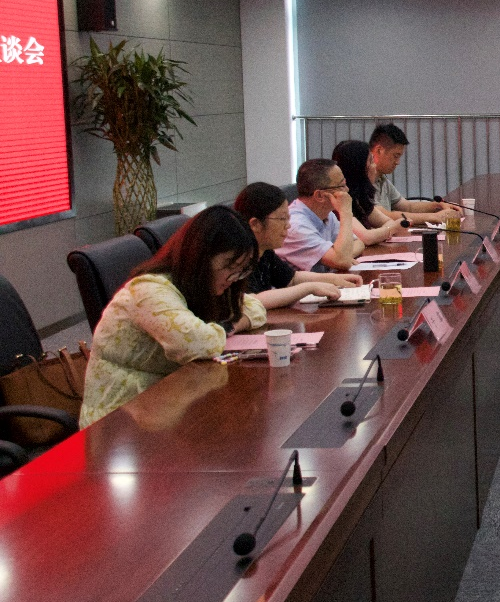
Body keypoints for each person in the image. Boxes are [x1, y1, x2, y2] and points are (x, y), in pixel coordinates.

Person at [79, 206, 267, 426]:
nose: (234, 278)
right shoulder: (149, 290)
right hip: (120, 421)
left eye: (241, 269)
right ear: (200, 258)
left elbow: (255, 307)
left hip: (165, 406)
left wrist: (231, 325)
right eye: (229, 266)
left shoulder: (197, 285)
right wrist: (226, 327)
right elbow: (196, 344)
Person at [233, 182, 364, 308]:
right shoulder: (238, 259)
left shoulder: (264, 252)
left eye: (288, 218)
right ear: (255, 224)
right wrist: (309, 288)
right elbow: (252, 301)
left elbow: (292, 278)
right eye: (282, 219)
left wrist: (334, 279)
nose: (288, 225)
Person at [276, 158, 366, 272]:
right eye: (341, 186)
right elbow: (342, 260)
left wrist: (344, 256)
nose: (347, 190)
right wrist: (345, 212)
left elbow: (358, 243)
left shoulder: (326, 214)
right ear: (319, 195)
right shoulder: (296, 226)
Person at [367, 123, 462, 226]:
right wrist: (435, 217)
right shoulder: (363, 180)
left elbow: (407, 206)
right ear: (379, 150)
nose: (398, 162)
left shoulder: (382, 178)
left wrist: (438, 206)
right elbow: (383, 216)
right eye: (395, 156)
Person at [331, 139, 412, 245]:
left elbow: (388, 222)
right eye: (371, 161)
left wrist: (383, 231)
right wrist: (392, 229)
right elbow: (366, 238)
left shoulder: (360, 199)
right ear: (359, 169)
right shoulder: (340, 199)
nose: (375, 166)